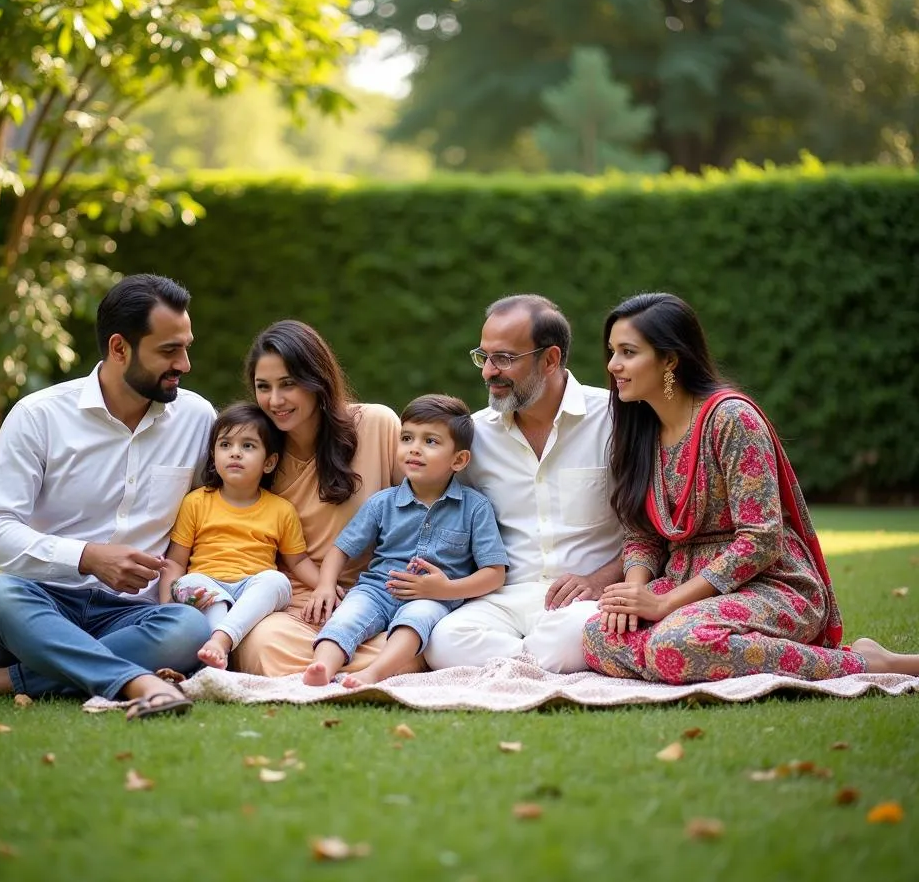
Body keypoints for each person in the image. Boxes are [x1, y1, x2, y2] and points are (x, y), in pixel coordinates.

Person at [0, 273, 216, 719]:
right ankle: (139, 679)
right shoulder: (38, 416)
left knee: (188, 627)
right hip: (41, 605)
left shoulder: (198, 418)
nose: (185, 363)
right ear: (118, 348)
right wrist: (88, 557)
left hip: (134, 617)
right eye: (169, 350)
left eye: (186, 346)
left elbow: (215, 512)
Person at [582, 291, 919, 682]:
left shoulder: (731, 420)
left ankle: (870, 662)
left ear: (670, 360)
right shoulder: (641, 432)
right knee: (597, 635)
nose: (613, 365)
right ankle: (679, 657)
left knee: (676, 645)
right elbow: (643, 535)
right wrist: (633, 598)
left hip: (768, 583)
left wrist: (665, 603)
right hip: (681, 582)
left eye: (628, 352)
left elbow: (761, 539)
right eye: (612, 351)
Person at [425, 294, 625, 673]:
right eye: (483, 357)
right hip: (504, 599)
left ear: (549, 360)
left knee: (577, 632)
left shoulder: (615, 420)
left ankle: (517, 663)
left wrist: (601, 580)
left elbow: (648, 528)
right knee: (442, 640)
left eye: (503, 358)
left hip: (584, 604)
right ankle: (539, 664)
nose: (487, 372)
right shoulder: (475, 436)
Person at [232, 320, 413, 677]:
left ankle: (341, 669)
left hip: (373, 598)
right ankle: (343, 670)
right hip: (296, 607)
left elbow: (421, 509)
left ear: (317, 381)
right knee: (262, 643)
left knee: (420, 639)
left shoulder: (377, 425)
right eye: (263, 387)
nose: (275, 400)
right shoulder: (257, 453)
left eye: (288, 384)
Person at [302, 394, 508, 687]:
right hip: (376, 588)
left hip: (434, 597)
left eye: (430, 442)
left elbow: (494, 573)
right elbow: (340, 549)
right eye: (407, 438)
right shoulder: (382, 503)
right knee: (348, 616)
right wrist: (325, 584)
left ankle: (373, 673)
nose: (415, 449)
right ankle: (321, 667)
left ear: (459, 460)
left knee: (414, 623)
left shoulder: (475, 508)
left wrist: (447, 589)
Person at [161, 401, 320, 668]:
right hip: (206, 585)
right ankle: (220, 645)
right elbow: (176, 561)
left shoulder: (281, 510)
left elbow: (298, 561)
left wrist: (326, 586)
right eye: (225, 445)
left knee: (277, 581)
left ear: (269, 462)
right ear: (213, 456)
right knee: (192, 582)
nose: (235, 453)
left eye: (248, 446)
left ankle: (217, 643)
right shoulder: (196, 501)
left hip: (252, 589)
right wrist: (165, 601)